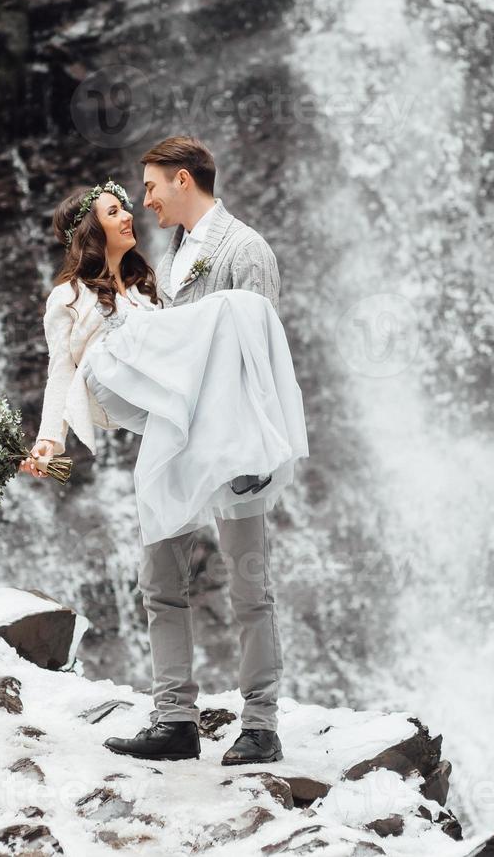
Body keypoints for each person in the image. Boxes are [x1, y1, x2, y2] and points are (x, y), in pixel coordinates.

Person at [21, 136, 306, 767]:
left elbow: (260, 346)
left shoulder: (241, 249)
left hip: (233, 440)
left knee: (250, 584)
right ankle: (174, 719)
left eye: (148, 189)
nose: (140, 203)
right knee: (160, 583)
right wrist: (50, 438)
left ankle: (260, 725)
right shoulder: (158, 264)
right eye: (125, 202)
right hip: (170, 442)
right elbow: (71, 369)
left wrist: (260, 443)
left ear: (182, 180)